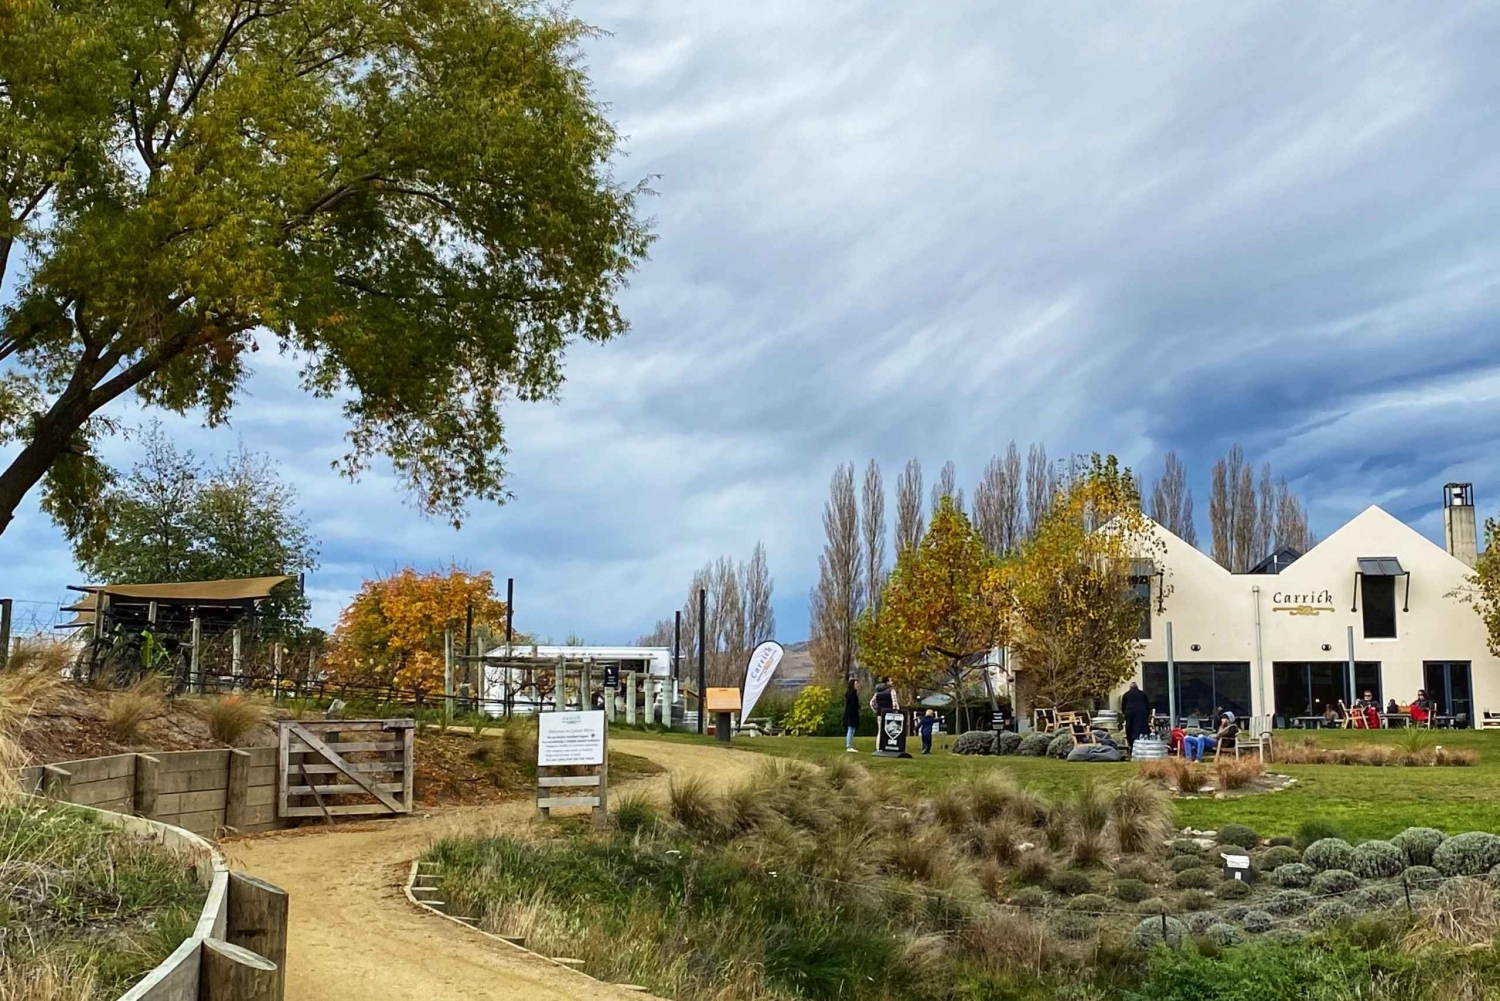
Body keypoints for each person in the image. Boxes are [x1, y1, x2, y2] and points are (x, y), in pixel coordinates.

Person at [1120, 681, 1150, 752]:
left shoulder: (1126, 695)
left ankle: (1132, 745)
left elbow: (1123, 707)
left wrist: (1125, 714)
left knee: (1131, 729)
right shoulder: (1143, 694)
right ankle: (1143, 744)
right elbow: (1148, 706)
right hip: (1142, 714)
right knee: (1142, 728)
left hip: (1130, 714)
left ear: (1130, 688)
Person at [843, 678, 861, 753]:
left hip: (850, 713)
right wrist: (858, 707)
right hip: (851, 713)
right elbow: (853, 704)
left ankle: (849, 744)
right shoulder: (852, 694)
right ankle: (849, 745)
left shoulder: (850, 693)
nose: (857, 685)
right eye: (856, 684)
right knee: (850, 729)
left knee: (851, 729)